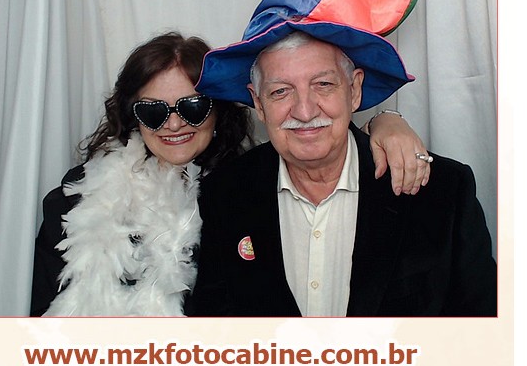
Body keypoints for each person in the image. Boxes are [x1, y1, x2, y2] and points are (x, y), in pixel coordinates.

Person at [186, 0, 497, 316]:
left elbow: (484, 331)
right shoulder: (223, 195)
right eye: (281, 91)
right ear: (259, 104)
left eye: (323, 85)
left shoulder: (444, 193)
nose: (304, 110)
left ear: (355, 90)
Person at [31, 22, 428, 316]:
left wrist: (385, 121)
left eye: (192, 107)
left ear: (218, 111)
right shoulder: (76, 206)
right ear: (133, 117)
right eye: (153, 111)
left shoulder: (240, 191)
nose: (174, 124)